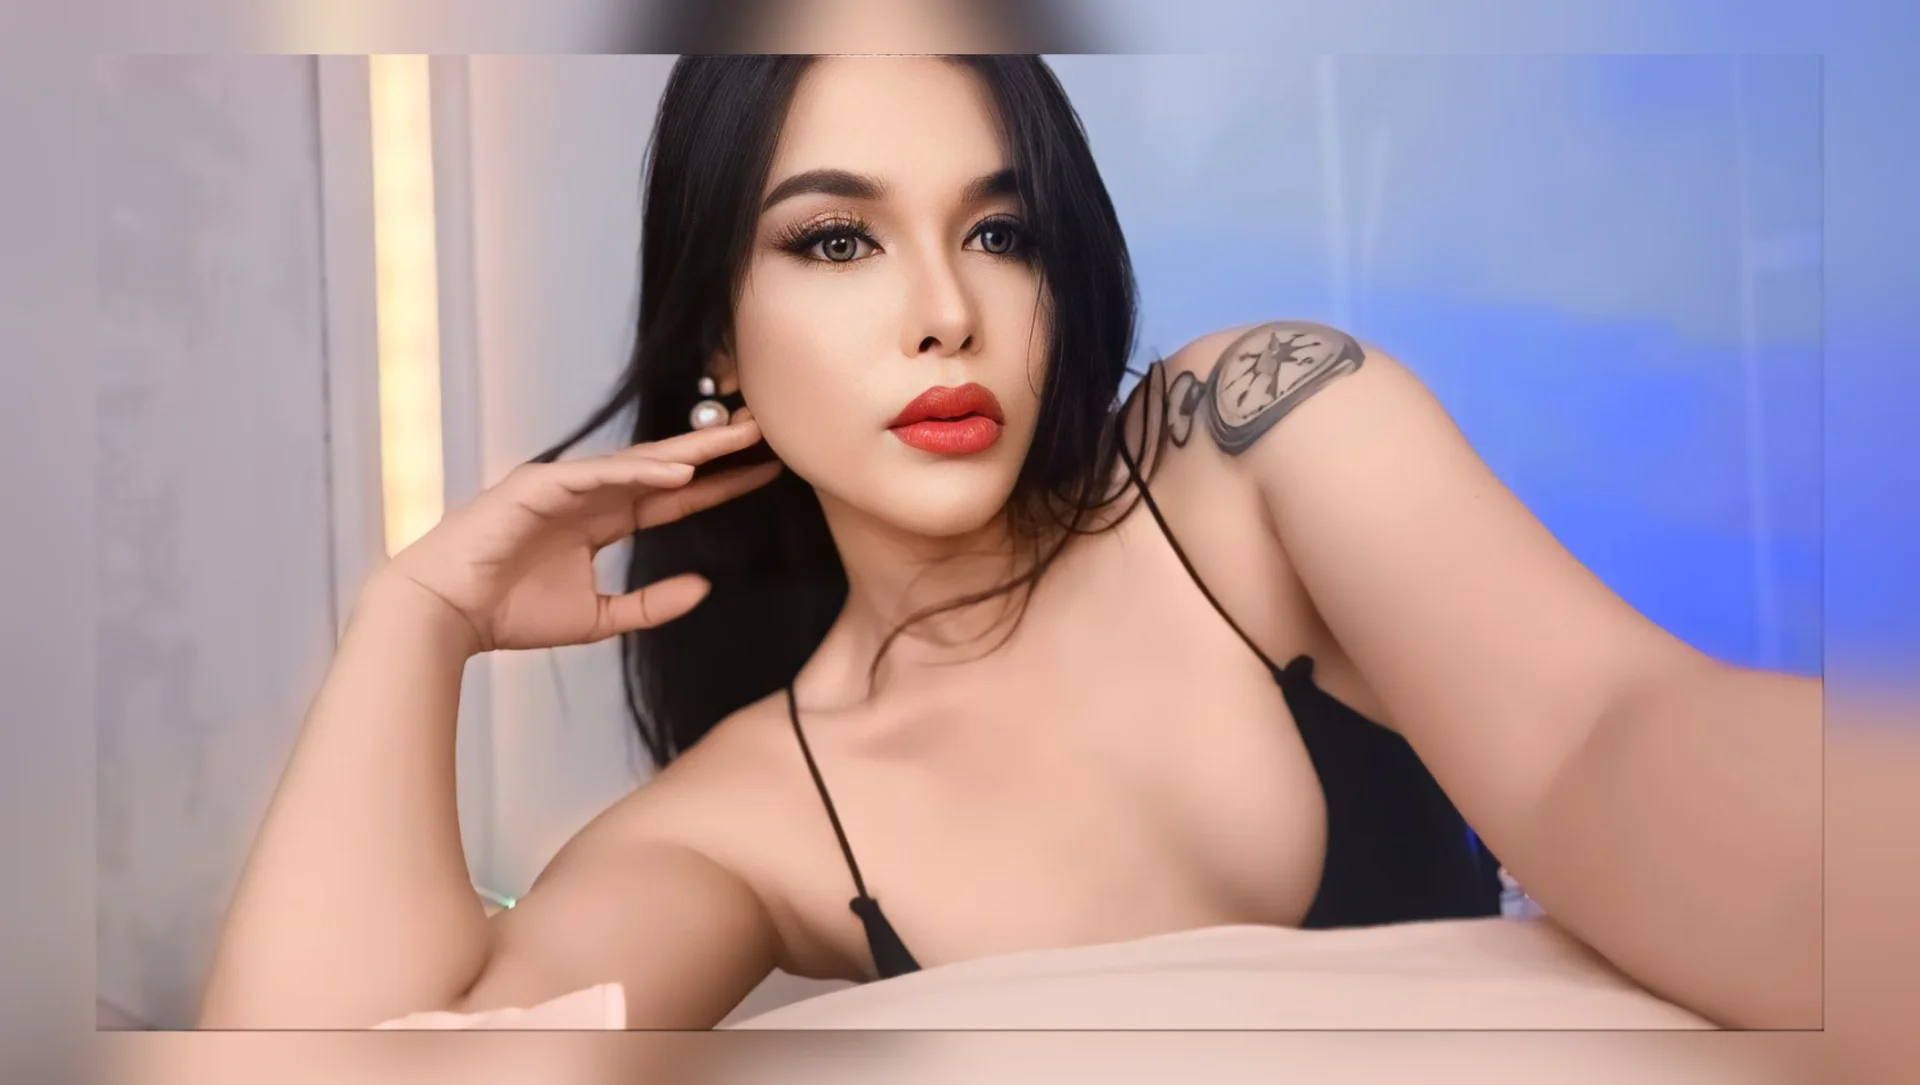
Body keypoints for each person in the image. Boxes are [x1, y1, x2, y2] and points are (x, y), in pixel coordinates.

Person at [199, 55, 1820, 1032]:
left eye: (1000, 229)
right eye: (838, 238)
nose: (945, 311)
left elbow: (1613, 729)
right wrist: (413, 624)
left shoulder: (1247, 445)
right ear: (722, 338)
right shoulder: (746, 820)